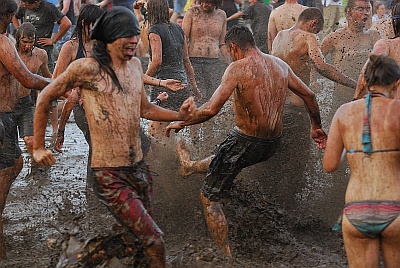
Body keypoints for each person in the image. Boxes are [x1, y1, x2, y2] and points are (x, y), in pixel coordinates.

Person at [32, 7, 196, 267]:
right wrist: (39, 146)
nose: (134, 40)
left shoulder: (133, 66)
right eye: (127, 36)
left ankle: (77, 259)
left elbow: (145, 109)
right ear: (109, 38)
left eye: (135, 35)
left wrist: (180, 115)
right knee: (155, 241)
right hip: (109, 174)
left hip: (139, 169)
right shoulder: (86, 68)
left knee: (137, 239)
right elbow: (45, 96)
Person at [166, 25, 327, 256]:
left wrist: (182, 122)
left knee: (209, 196)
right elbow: (309, 96)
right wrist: (316, 127)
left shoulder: (237, 68)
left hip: (246, 141)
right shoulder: (280, 65)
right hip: (272, 144)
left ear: (233, 47)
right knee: (225, 157)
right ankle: (190, 166)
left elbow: (211, 109)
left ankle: (225, 256)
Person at [323, 54, 400, 268]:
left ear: (364, 82)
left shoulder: (343, 112)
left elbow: (330, 165)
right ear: (397, 83)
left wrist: (342, 146)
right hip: (395, 208)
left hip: (356, 212)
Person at [0, 0, 51, 259]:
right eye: (11, 17)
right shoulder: (5, 43)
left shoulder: (15, 43)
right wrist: (60, 85)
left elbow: (35, 77)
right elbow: (28, 79)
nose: (28, 44)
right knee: (8, 168)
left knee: (18, 161)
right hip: (3, 115)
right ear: (8, 16)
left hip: (15, 111)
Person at [145, 0, 201, 140]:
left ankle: (160, 161)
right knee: (175, 130)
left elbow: (157, 61)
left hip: (165, 87)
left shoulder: (154, 30)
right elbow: (186, 61)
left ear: (151, 11)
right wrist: (194, 88)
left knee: (156, 134)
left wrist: (144, 79)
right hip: (182, 86)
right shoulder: (178, 28)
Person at [320, 0, 380, 118]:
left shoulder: (374, 36)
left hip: (366, 95)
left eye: (368, 9)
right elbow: (316, 62)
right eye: (360, 9)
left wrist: (362, 54)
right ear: (348, 13)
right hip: (341, 97)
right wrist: (314, 82)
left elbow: (383, 61)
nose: (366, 13)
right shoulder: (335, 37)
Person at [13, 22, 52, 155]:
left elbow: (47, 76)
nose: (28, 46)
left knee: (31, 141)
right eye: (24, 42)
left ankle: (37, 172)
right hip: (7, 104)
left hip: (26, 103)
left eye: (31, 42)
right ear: (18, 39)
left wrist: (64, 86)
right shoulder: (9, 53)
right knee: (10, 146)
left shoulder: (40, 54)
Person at [183, 0, 230, 103]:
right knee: (198, 95)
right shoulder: (192, 12)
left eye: (208, 2)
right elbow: (183, 39)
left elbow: (222, 42)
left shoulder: (221, 15)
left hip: (214, 61)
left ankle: (211, 118)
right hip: (194, 60)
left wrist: (228, 61)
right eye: (203, 1)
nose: (204, 5)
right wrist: (185, 60)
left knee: (213, 94)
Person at [354, 2, 400, 99]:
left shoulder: (386, 44)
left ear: (395, 22)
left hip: (389, 109)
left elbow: (365, 74)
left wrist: (355, 99)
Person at [13, 0, 72, 72]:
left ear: (36, 2)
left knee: (47, 77)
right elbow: (14, 17)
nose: (25, 6)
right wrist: (19, 31)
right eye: (24, 4)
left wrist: (54, 40)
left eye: (27, 5)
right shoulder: (24, 6)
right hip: (27, 51)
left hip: (44, 50)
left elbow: (66, 23)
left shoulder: (48, 8)